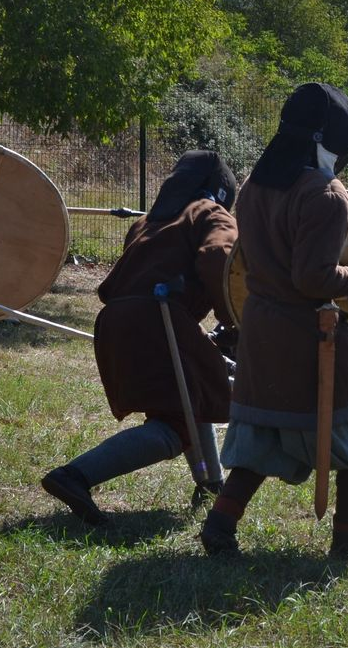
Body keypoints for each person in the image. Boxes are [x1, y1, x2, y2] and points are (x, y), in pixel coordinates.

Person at [199, 82, 348, 560]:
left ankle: (220, 522)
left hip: (261, 326)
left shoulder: (254, 186)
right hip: (309, 332)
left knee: (264, 431)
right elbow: (314, 277)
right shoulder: (325, 194)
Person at [41, 151, 238, 523]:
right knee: (174, 425)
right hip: (157, 320)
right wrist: (234, 318)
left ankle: (211, 482)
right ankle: (75, 475)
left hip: (118, 320)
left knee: (193, 393)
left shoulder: (148, 221)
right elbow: (219, 259)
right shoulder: (210, 213)